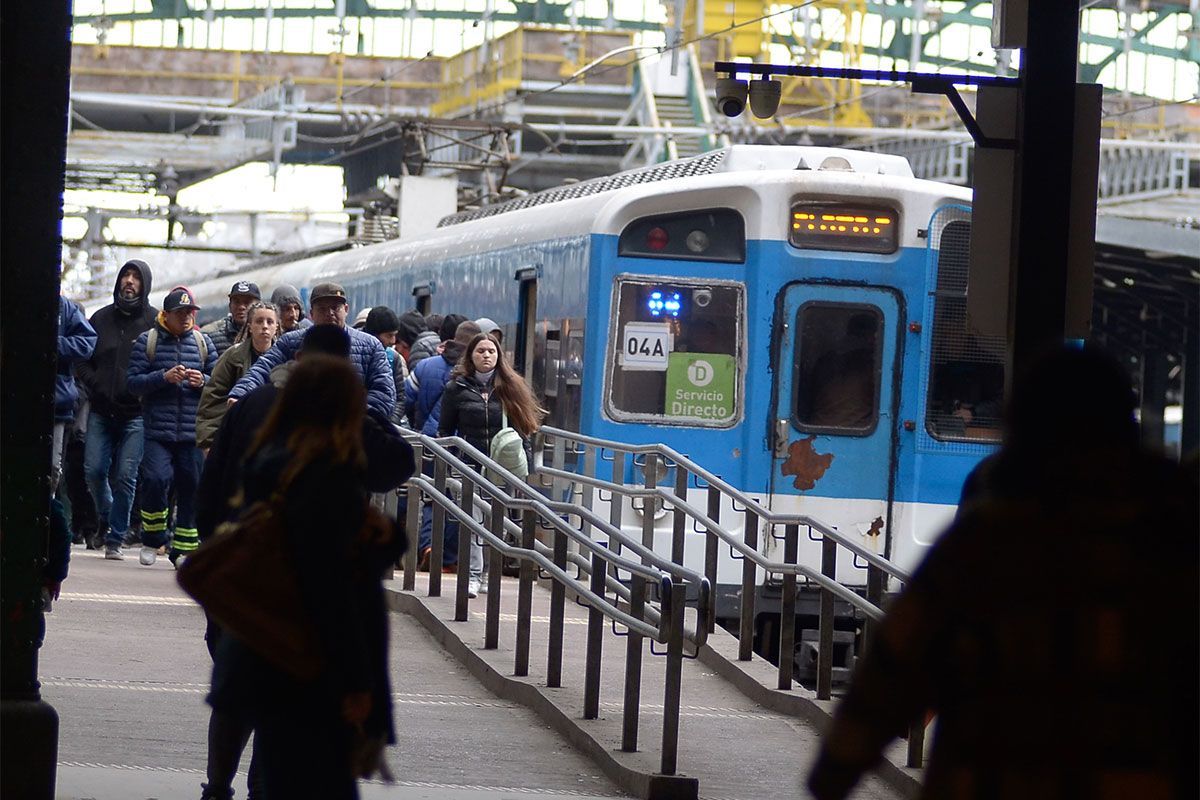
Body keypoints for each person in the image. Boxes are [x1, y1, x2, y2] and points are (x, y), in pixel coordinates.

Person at [806, 346, 1199, 800]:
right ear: (1126, 428)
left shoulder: (984, 545)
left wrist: (835, 771)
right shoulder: (1176, 549)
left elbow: (897, 666)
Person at [195, 325, 411, 800]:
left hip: (249, 595)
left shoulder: (255, 413)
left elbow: (210, 491)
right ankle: (256, 788)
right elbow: (398, 463)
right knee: (306, 761)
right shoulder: (336, 460)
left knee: (245, 709)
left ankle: (219, 788)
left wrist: (215, 550)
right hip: (317, 651)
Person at [438, 332, 545, 597]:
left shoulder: (511, 386)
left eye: (491, 351)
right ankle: (474, 574)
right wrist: (448, 461)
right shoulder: (456, 388)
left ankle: (488, 574)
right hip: (468, 464)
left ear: (498, 356)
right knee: (472, 520)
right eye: (480, 351)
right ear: (471, 356)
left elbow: (524, 431)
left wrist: (526, 472)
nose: (486, 355)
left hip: (502, 468)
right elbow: (445, 429)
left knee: (495, 521)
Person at [126, 287, 217, 566]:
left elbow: (217, 383)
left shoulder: (203, 343)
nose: (187, 317)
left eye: (190, 312)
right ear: (166, 315)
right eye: (181, 313)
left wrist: (202, 381)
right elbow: (132, 383)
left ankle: (184, 549)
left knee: (192, 485)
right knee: (155, 480)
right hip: (158, 432)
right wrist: (162, 377)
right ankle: (153, 538)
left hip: (192, 433)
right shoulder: (147, 342)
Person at [74, 259, 158, 555]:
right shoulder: (100, 319)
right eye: (126, 275)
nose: (129, 281)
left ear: (144, 284)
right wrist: (95, 382)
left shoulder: (154, 322)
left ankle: (115, 537)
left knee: (125, 475)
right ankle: (108, 518)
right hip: (101, 411)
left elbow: (163, 362)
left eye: (135, 277)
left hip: (136, 415)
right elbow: (82, 358)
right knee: (94, 471)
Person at [227, 283, 395, 420]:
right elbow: (262, 369)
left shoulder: (370, 346)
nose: (330, 314)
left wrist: (348, 414)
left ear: (346, 309)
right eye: (322, 309)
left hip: (352, 434)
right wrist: (241, 394)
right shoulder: (291, 342)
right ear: (311, 314)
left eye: (335, 308)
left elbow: (384, 394)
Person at [406, 320, 479, 572]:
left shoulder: (425, 366)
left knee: (431, 497)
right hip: (461, 446)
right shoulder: (472, 376)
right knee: (458, 500)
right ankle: (447, 557)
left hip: (427, 441)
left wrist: (417, 425)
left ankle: (427, 547)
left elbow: (406, 397)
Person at [195, 301, 278, 453]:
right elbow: (213, 397)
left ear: (276, 327)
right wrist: (208, 443)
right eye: (259, 321)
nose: (265, 326)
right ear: (250, 326)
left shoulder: (285, 358)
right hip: (241, 435)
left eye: (270, 322)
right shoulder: (234, 356)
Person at [54, 294, 97, 494]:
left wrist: (53, 344)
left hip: (59, 404)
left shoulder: (66, 308)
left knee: (54, 469)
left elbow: (87, 343)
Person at [361, 306, 408, 424]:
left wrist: (390, 422)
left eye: (395, 335)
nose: (393, 341)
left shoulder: (393, 358)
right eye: (389, 335)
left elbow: (400, 398)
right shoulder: (357, 351)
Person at [201, 281, 261, 357]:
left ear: (259, 306)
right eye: (236, 302)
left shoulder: (267, 333)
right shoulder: (212, 335)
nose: (241, 307)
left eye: (247, 302)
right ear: (230, 305)